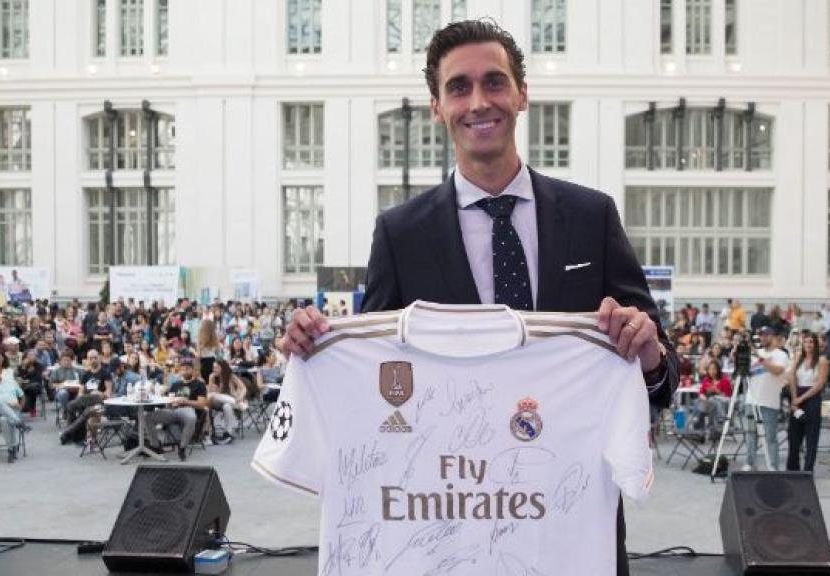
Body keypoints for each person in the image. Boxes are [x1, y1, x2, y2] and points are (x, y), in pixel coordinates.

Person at [275, 19, 677, 576]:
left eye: (494, 82)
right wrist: (320, 349)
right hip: (446, 530)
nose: (479, 101)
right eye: (459, 87)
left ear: (522, 94)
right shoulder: (400, 233)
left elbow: (661, 380)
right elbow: (379, 384)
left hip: (568, 526)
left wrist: (650, 353)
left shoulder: (591, 216)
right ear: (437, 107)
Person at [744, 326, 789, 471]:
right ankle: (750, 463)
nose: (762, 338)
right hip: (752, 399)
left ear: (773, 336)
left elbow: (778, 371)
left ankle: (773, 465)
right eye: (760, 335)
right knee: (751, 435)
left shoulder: (780, 355)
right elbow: (745, 371)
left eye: (765, 335)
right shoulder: (756, 353)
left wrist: (760, 358)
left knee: (770, 437)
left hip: (769, 402)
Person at [148, 354, 208, 461]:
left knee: (191, 418)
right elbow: (168, 401)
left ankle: (182, 447)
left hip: (188, 409)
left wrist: (185, 401)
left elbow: (202, 404)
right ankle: (156, 446)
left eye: (187, 369)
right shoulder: (175, 384)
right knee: (147, 417)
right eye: (183, 369)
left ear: (193, 370)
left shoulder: (199, 384)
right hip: (173, 410)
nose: (185, 371)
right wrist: (163, 399)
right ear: (179, 370)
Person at [786, 332, 829, 472]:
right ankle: (793, 468)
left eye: (811, 342)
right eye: (806, 342)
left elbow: (820, 383)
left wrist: (802, 398)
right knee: (794, 435)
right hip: (797, 394)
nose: (808, 345)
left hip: (812, 397)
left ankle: (808, 469)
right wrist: (794, 398)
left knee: (811, 436)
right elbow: (791, 377)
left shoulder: (821, 360)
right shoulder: (798, 358)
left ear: (815, 344)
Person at [59, 348, 113, 445]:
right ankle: (73, 435)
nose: (93, 360)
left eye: (95, 358)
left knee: (82, 407)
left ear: (99, 358)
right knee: (73, 406)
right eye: (90, 358)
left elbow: (108, 393)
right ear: (87, 360)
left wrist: (100, 393)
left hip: (99, 401)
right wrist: (81, 398)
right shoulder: (86, 374)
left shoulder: (105, 373)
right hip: (85, 400)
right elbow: (80, 392)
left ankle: (68, 433)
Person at [0, 354, 24, 462]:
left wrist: (20, 406)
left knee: (4, 419)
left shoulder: (10, 382)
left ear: (1, 371)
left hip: (10, 413)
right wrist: (10, 404)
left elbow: (21, 395)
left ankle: (11, 449)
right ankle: (18, 422)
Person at [206, 359, 246, 444]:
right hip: (217, 402)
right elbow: (209, 394)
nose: (214, 369)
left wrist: (240, 397)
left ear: (222, 368)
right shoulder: (212, 377)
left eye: (216, 367)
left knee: (227, 407)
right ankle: (236, 403)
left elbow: (243, 388)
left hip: (229, 402)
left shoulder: (230, 376)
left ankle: (228, 432)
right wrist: (211, 384)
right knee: (211, 395)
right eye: (213, 367)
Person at [696, 359, 732, 438]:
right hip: (708, 403)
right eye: (710, 369)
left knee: (713, 400)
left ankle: (704, 428)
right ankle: (711, 428)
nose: (712, 371)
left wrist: (717, 391)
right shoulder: (706, 380)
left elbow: (728, 395)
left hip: (723, 403)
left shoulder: (724, 380)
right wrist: (704, 397)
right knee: (704, 401)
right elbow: (701, 392)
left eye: (714, 369)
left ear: (718, 370)